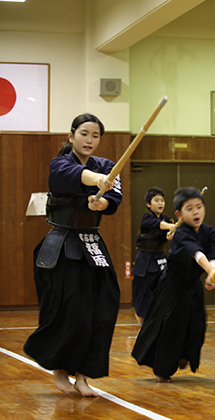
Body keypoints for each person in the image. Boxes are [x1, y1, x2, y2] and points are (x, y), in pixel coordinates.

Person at [23, 113, 122, 397]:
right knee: (70, 312)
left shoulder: (108, 165)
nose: (90, 140)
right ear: (71, 136)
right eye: (84, 133)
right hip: (63, 244)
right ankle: (60, 370)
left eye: (95, 135)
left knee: (102, 310)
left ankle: (83, 376)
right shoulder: (61, 164)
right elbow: (75, 177)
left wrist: (100, 202)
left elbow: (114, 197)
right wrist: (98, 179)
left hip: (92, 246)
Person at [132, 187, 215, 382]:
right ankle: (162, 368)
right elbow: (196, 253)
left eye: (199, 207)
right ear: (179, 214)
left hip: (192, 286)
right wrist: (210, 271)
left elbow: (214, 252)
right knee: (169, 327)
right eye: (189, 209)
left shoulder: (209, 231)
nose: (196, 212)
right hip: (172, 286)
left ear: (205, 209)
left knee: (197, 326)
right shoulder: (180, 233)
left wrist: (212, 274)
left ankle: (184, 356)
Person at [132, 187, 177, 326]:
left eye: (162, 200)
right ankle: (143, 325)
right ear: (148, 204)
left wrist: (171, 234)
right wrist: (169, 227)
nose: (160, 203)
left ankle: (159, 322)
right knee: (143, 294)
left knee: (162, 291)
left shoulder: (167, 219)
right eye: (156, 200)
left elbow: (169, 232)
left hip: (160, 260)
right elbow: (157, 225)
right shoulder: (148, 218)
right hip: (145, 261)